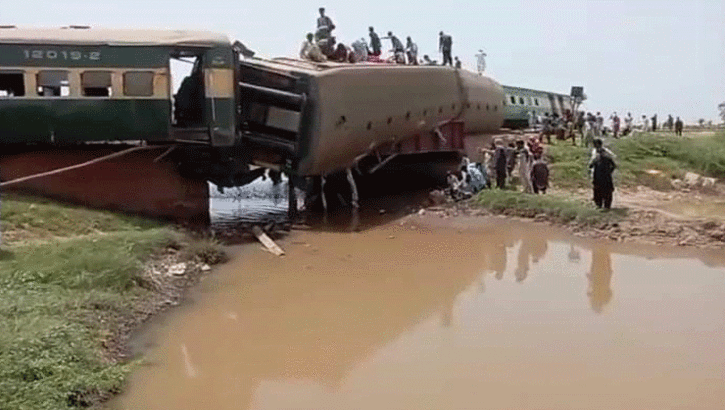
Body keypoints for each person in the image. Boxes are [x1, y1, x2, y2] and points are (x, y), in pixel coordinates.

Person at [589, 138, 617, 209]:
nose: (595, 146)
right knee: (601, 190)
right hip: (601, 175)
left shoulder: (604, 154)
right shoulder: (597, 153)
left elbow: (613, 165)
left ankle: (604, 205)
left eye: (596, 144)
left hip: (603, 175)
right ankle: (601, 205)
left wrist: (609, 172)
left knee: (603, 190)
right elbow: (591, 165)